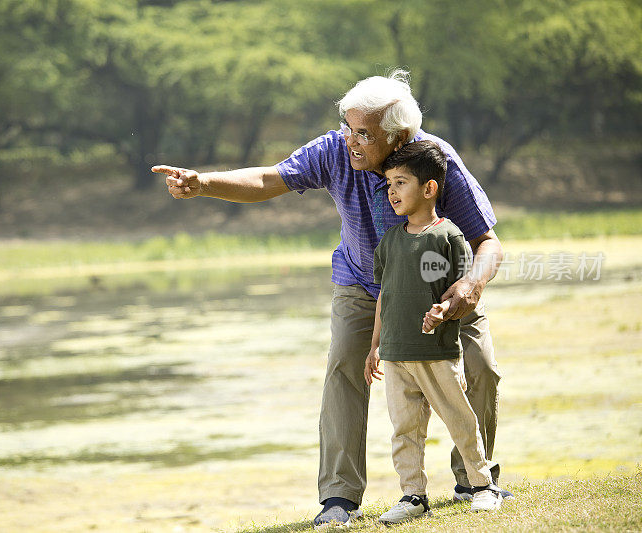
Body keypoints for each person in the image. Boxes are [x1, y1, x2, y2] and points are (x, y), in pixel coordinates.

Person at [152, 69, 508, 529]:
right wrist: (203, 184)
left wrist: (470, 286)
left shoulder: (435, 164)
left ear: (399, 137)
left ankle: (473, 482)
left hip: (441, 289)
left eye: (364, 132)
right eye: (348, 127)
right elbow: (268, 179)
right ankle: (339, 498)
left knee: (480, 366)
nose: (351, 140)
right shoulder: (334, 151)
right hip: (362, 282)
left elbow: (487, 242)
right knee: (344, 368)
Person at [364, 140, 504, 525]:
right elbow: (384, 297)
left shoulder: (449, 237)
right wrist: (374, 345)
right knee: (404, 428)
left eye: (401, 182)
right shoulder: (390, 242)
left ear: (429, 189)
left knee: (460, 420)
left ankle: (482, 485)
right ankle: (413, 495)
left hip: (437, 353)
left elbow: (459, 292)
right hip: (395, 355)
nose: (391, 191)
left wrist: (442, 312)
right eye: (389, 183)